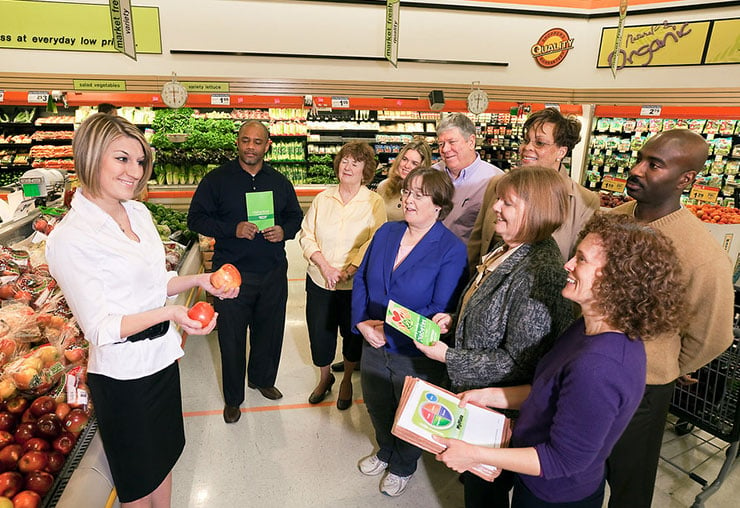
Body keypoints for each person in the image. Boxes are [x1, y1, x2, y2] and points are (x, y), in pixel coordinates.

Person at [46, 113, 237, 507]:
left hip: (162, 361)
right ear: (91, 156)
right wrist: (170, 315)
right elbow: (100, 328)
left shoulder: (138, 214)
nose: (134, 171)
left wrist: (197, 282)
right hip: (124, 377)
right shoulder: (70, 238)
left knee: (164, 459)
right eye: (122, 159)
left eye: (139, 161)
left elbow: (157, 284)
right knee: (137, 478)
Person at [433, 213, 686, 508]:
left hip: (555, 494)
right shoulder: (589, 327)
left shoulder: (601, 367)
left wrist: (473, 454)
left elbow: (560, 460)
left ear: (617, 279)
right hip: (535, 476)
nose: (567, 264)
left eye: (581, 259)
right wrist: (490, 395)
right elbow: (549, 391)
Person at [414, 166, 574, 506]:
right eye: (498, 199)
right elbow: (493, 312)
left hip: (501, 414)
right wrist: (456, 319)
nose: (496, 208)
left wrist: (448, 356)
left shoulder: (540, 272)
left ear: (537, 211)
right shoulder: (509, 247)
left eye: (508, 203)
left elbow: (521, 362)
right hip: (480, 399)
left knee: (485, 492)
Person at [607, 128, 735, 507]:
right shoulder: (614, 219)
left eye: (654, 165)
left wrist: (665, 366)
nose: (637, 169)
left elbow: (712, 333)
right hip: (588, 366)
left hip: (642, 386)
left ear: (686, 179)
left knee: (630, 479)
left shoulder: (702, 256)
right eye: (641, 158)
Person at [352, 167, 468, 497]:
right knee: (376, 404)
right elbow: (361, 278)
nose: (409, 199)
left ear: (439, 205)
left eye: (419, 194)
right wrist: (361, 322)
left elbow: (438, 306)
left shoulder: (450, 249)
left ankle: (403, 465)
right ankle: (385, 451)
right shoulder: (387, 233)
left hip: (414, 352)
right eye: (406, 191)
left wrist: (390, 331)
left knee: (410, 411)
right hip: (372, 341)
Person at [188, 120, 303, 423]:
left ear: (268, 146)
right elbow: (196, 219)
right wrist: (232, 229)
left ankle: (262, 380)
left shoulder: (280, 182)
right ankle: (233, 398)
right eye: (245, 140)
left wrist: (284, 230)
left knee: (270, 331)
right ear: (237, 143)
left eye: (257, 141)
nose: (251, 147)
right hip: (231, 274)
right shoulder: (217, 180)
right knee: (231, 337)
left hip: (272, 271)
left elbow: (295, 216)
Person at [298, 141, 386, 409]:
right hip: (319, 280)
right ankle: (325, 379)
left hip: (353, 285)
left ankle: (347, 379)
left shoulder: (374, 202)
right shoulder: (323, 198)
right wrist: (324, 265)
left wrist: (351, 269)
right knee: (320, 333)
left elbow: (374, 241)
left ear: (365, 169)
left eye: (355, 162)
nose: (348, 166)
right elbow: (306, 234)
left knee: (351, 334)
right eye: (345, 160)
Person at [468, 107, 599, 268]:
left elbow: (578, 261)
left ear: (561, 152)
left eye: (539, 143)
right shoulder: (497, 184)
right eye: (526, 140)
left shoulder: (585, 201)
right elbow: (477, 244)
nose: (527, 147)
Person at [433, 113, 502, 243]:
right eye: (441, 144)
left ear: (471, 142)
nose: (445, 149)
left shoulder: (495, 180)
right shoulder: (431, 175)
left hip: (469, 260)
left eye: (452, 142)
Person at [375, 139, 433, 221]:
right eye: (404, 159)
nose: (407, 165)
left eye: (414, 163)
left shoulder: (428, 192)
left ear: (422, 168)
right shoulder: (383, 186)